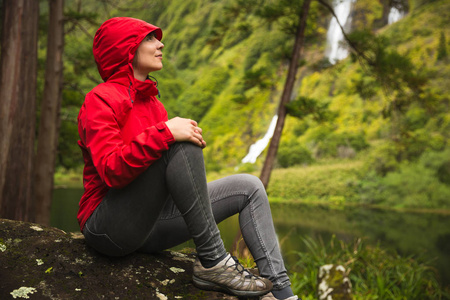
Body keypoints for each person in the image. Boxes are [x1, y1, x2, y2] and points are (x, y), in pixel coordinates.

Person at [77, 17, 299, 300]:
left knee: (250, 187)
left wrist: (176, 145)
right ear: (126, 48)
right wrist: (168, 134)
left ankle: (282, 293)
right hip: (109, 228)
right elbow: (111, 170)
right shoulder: (100, 99)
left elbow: (158, 180)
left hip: (152, 228)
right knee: (178, 143)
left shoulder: (154, 105)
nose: (160, 44)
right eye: (149, 39)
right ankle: (214, 261)